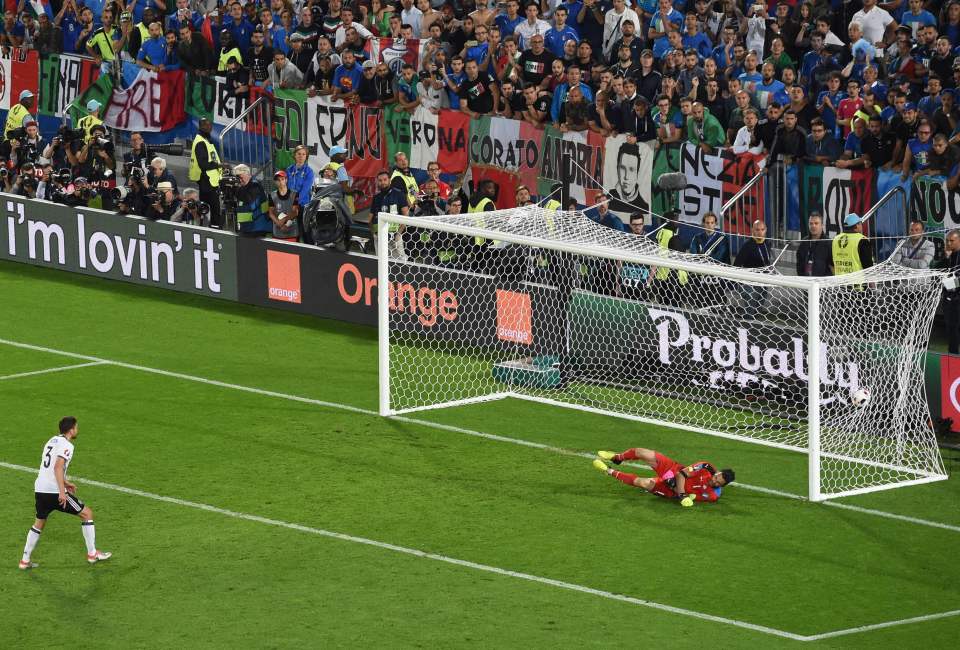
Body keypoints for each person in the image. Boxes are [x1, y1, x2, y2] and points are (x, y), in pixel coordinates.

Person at [19, 416, 112, 570]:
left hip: (40, 489)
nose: (77, 429)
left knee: (39, 522)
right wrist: (62, 492)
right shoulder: (67, 445)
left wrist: (66, 482)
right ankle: (92, 554)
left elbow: (49, 467)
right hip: (54, 492)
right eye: (76, 427)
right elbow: (57, 467)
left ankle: (24, 560)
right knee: (87, 514)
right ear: (71, 430)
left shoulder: (52, 441)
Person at [592, 447, 735, 506]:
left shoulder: (711, 496)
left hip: (670, 489)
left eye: (717, 483)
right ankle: (618, 458)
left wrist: (682, 495)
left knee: (642, 483)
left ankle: (608, 471)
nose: (714, 480)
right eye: (716, 477)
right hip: (673, 471)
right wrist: (683, 495)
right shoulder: (706, 467)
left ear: (721, 486)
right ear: (718, 473)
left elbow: (694, 497)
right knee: (643, 453)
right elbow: (681, 474)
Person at [188, 118, 223, 228]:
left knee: (209, 210)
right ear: (201, 127)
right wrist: (219, 165)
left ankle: (210, 228)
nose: (209, 127)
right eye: (206, 125)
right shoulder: (200, 142)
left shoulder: (206, 140)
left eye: (210, 125)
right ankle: (212, 230)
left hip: (211, 181)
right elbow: (203, 164)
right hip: (206, 181)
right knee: (211, 210)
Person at [941, 229, 960, 354]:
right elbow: (941, 272)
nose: (948, 243)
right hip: (949, 299)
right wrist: (946, 258)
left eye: (951, 241)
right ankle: (952, 355)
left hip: (958, 297)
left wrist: (952, 283)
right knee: (951, 328)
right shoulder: (948, 255)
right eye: (947, 241)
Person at [268, 170, 300, 242]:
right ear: (275, 182)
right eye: (278, 180)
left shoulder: (294, 194)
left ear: (286, 180)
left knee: (293, 252)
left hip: (292, 230)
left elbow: (295, 212)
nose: (280, 182)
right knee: (277, 252)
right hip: (277, 231)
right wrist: (280, 224)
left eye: (282, 179)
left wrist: (284, 221)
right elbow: (271, 213)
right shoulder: (272, 195)